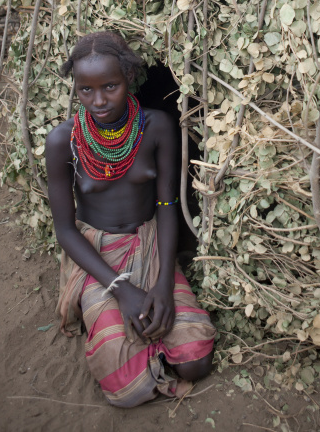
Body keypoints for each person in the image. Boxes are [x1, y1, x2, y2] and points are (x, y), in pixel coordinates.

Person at [45, 31, 215, 407]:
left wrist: (163, 285)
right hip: (96, 256)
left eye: (110, 86)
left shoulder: (155, 127)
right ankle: (115, 325)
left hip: (151, 240)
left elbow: (168, 205)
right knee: (129, 390)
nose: (99, 100)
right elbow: (65, 229)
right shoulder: (63, 141)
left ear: (129, 79)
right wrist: (121, 289)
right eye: (85, 90)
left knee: (196, 362)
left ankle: (153, 333)